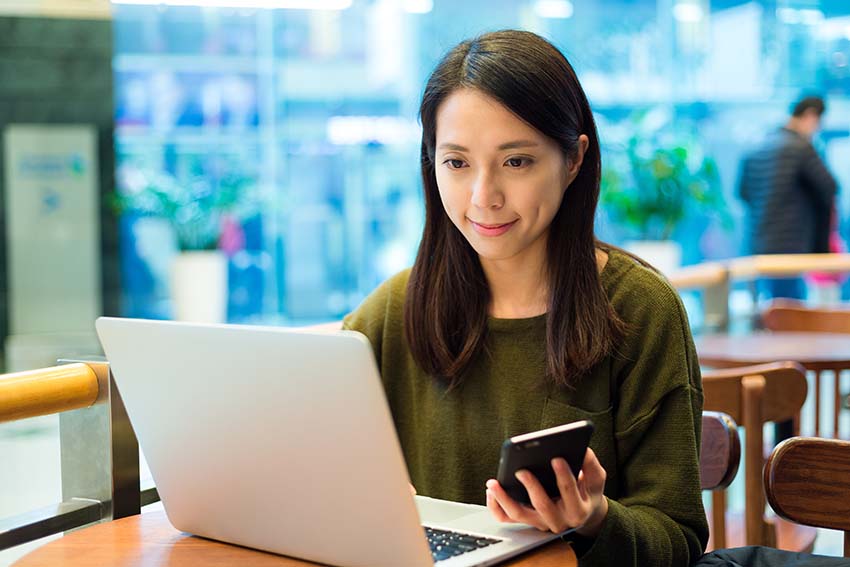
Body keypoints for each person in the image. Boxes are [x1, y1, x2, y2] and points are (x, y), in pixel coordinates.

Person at [343, 30, 707, 566]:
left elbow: (678, 541)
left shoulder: (639, 310)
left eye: (516, 162)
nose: (483, 197)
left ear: (574, 159)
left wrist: (595, 518)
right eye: (457, 163)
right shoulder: (397, 307)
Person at [738, 95, 839, 300]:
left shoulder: (757, 146)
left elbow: (743, 193)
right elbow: (829, 187)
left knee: (769, 309)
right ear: (810, 116)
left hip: (759, 244)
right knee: (791, 312)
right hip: (790, 247)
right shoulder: (800, 147)